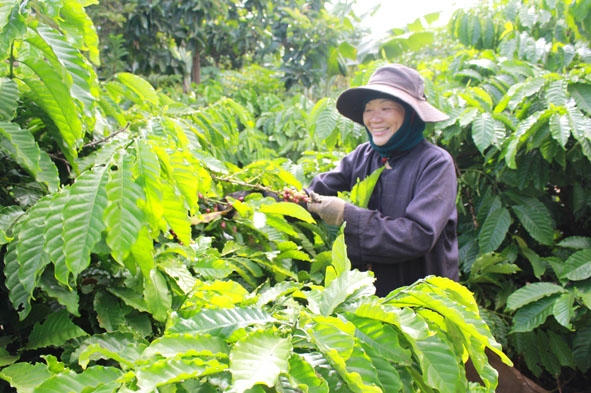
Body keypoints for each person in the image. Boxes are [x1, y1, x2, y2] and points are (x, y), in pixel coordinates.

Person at [306, 63, 459, 297]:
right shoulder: (363, 155)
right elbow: (312, 193)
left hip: (423, 299)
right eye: (369, 109)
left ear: (410, 114)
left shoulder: (435, 163)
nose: (374, 118)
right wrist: (251, 201)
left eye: (386, 108)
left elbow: (417, 235)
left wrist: (344, 215)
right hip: (368, 297)